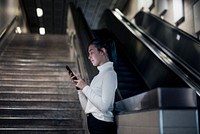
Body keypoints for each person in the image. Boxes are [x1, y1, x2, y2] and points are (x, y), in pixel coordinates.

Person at [70, 38, 118, 134]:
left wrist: (85, 87)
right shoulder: (97, 77)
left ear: (102, 51)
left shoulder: (110, 74)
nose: (89, 57)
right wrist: (79, 89)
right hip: (94, 123)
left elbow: (104, 106)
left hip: (103, 126)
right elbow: (88, 109)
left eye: (91, 52)